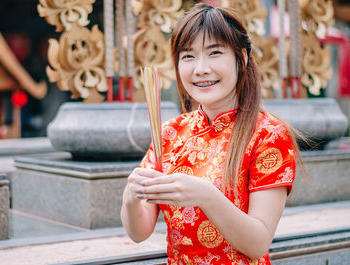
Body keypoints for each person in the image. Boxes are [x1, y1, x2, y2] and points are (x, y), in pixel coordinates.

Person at [121, 4, 303, 264]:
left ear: (241, 58)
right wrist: (130, 198)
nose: (200, 69)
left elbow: (258, 242)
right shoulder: (170, 133)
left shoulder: (268, 134)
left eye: (214, 53)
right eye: (188, 56)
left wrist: (205, 195)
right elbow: (139, 232)